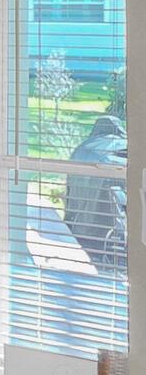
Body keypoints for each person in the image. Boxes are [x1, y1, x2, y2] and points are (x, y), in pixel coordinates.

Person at [63, 115, 128, 274]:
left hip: (81, 230)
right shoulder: (123, 149)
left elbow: (70, 196)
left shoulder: (81, 150)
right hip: (110, 235)